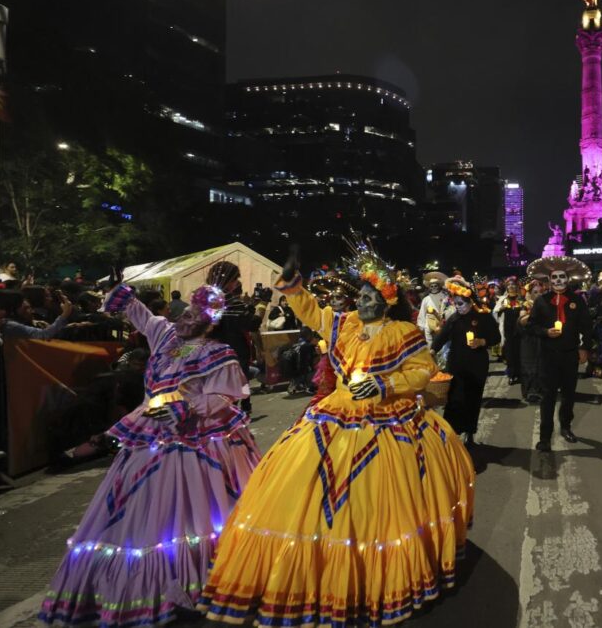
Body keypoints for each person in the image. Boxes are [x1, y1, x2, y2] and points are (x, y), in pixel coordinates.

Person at [198, 242, 474, 627]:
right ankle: (310, 571)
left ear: (386, 300)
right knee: (302, 491)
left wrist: (385, 385)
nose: (359, 301)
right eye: (359, 295)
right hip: (336, 414)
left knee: (380, 505)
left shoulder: (404, 332)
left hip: (388, 417)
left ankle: (370, 569)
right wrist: (292, 284)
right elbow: (311, 311)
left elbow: (422, 371)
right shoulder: (343, 325)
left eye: (367, 296)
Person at [38, 278, 261, 627]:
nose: (188, 317)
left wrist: (187, 408)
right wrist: (122, 294)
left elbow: (224, 398)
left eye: (198, 313)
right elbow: (140, 314)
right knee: (139, 513)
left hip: (198, 441)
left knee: (196, 512)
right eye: (188, 309)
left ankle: (199, 578)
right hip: (151, 434)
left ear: (211, 320)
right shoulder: (165, 337)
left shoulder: (219, 353)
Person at [526, 257, 593, 451]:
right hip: (547, 356)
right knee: (547, 397)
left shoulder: (577, 300)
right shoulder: (541, 301)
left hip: (570, 355)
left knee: (568, 395)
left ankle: (566, 427)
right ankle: (545, 437)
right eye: (554, 277)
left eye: (562, 277)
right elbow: (531, 326)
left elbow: (587, 327)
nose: (558, 280)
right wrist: (545, 332)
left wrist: (584, 348)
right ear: (549, 280)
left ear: (568, 279)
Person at [432, 277, 500, 446]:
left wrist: (481, 342)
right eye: (456, 304)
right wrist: (432, 351)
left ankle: (469, 432)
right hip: (456, 365)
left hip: (476, 365)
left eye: (461, 303)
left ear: (470, 302)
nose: (458, 307)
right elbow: (441, 337)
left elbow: (496, 337)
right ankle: (451, 431)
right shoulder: (454, 319)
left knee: (472, 398)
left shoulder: (483, 316)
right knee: (454, 399)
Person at [206, 261, 268, 414]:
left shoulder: (203, 298)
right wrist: (263, 304)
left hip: (208, 359)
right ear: (229, 280)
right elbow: (253, 323)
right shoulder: (229, 302)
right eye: (235, 279)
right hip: (231, 356)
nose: (236, 283)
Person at [0, 289, 72, 340]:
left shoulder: (4, 322)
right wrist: (65, 314)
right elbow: (43, 335)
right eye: (21, 302)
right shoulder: (9, 325)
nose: (26, 304)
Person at [517, 275, 546, 405]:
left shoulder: (547, 305)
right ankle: (530, 392)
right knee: (529, 366)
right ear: (529, 294)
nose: (539, 294)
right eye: (535, 292)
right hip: (529, 340)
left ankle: (541, 390)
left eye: (541, 292)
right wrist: (535, 310)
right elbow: (522, 321)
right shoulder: (525, 306)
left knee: (542, 366)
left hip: (543, 339)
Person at [492, 276, 524, 384]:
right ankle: (511, 375)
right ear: (506, 286)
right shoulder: (503, 299)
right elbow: (495, 313)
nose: (511, 286)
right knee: (510, 353)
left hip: (520, 330)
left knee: (519, 352)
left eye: (513, 284)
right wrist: (502, 309)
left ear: (516, 286)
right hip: (508, 329)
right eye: (509, 284)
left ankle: (520, 374)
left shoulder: (521, 299)